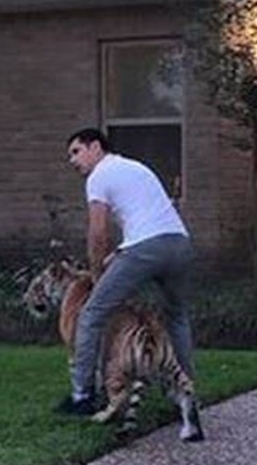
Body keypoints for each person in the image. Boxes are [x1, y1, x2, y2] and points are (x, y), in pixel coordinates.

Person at [59, 127, 195, 415]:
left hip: (145, 249)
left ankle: (82, 396)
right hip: (179, 243)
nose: (72, 161)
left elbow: (97, 233)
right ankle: (184, 394)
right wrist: (119, 255)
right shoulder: (136, 167)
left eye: (76, 152)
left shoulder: (98, 176)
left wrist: (97, 276)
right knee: (177, 317)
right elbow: (148, 216)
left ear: (95, 147)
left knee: (92, 313)